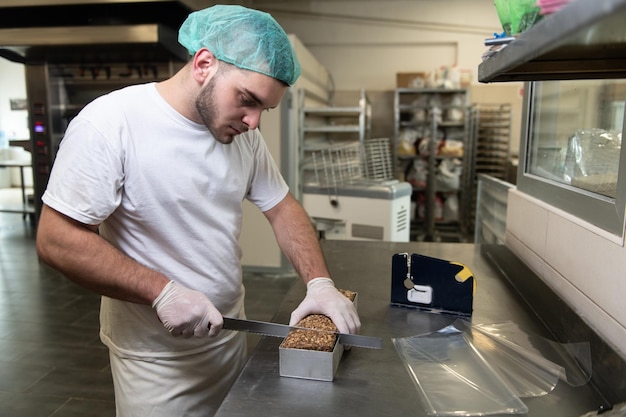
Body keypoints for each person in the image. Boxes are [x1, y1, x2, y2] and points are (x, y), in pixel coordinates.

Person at [35, 5, 360, 417]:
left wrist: (319, 284)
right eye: (248, 100)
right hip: (155, 362)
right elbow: (55, 239)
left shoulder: (242, 138)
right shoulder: (111, 123)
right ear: (204, 63)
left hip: (228, 339)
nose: (254, 121)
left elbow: (282, 207)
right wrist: (161, 291)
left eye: (264, 109)